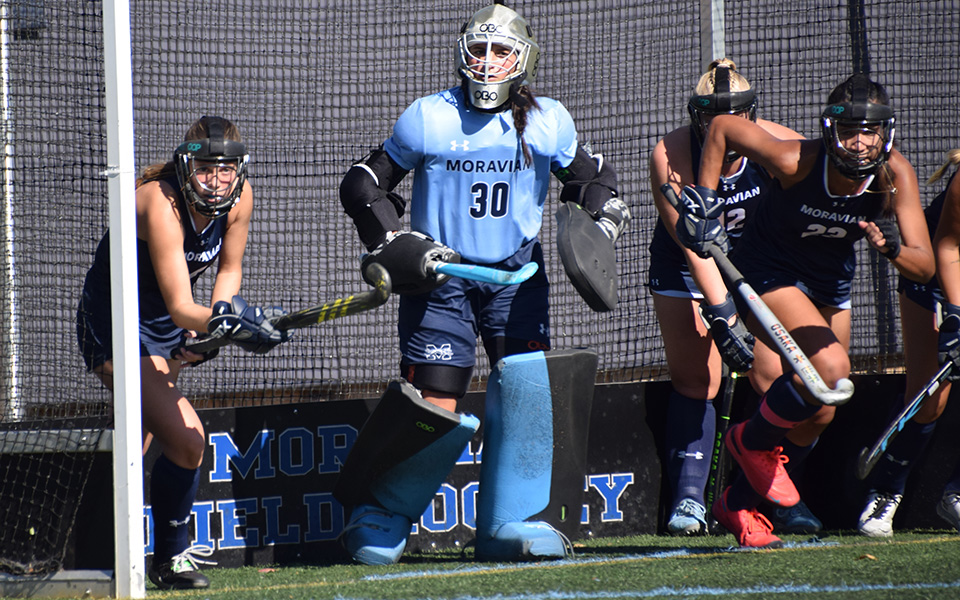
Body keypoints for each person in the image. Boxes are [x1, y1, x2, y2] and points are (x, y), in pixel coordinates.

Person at [335, 1, 628, 565]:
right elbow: (363, 186)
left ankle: (508, 523)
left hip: (515, 275)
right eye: (479, 48)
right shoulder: (428, 117)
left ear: (524, 59)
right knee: (437, 400)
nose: (488, 62)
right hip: (440, 279)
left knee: (524, 393)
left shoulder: (549, 120)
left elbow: (592, 182)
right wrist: (395, 241)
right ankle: (382, 514)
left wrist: (606, 218)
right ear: (462, 53)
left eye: (501, 51)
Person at [674, 73, 934, 548]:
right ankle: (749, 443)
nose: (859, 143)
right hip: (769, 271)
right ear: (829, 131)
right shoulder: (796, 160)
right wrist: (706, 199)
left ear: (887, 133)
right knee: (831, 367)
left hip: (828, 283)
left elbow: (924, 264)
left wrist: (894, 250)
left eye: (870, 131)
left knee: (823, 405)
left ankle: (739, 504)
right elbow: (724, 128)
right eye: (850, 130)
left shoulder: (895, 177)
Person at [76, 116, 288, 589]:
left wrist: (219, 324)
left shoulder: (240, 200)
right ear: (185, 165)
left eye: (227, 169)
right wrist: (229, 325)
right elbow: (179, 305)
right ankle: (169, 560)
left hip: (165, 328)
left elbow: (227, 274)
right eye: (206, 168)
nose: (217, 181)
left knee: (141, 440)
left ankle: (94, 555)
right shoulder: (159, 202)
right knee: (190, 440)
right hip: (113, 323)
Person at [650, 59, 821, 536]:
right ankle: (689, 502)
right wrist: (722, 312)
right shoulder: (671, 152)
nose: (723, 127)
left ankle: (769, 498)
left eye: (738, 116)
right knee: (697, 380)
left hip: (753, 269)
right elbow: (689, 243)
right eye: (708, 117)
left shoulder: (774, 143)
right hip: (688, 267)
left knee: (771, 377)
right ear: (695, 116)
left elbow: (818, 184)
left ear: (752, 115)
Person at [858, 148, 960, 537]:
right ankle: (885, 492)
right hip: (938, 275)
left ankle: (956, 495)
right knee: (930, 396)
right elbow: (948, 246)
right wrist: (956, 316)